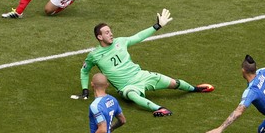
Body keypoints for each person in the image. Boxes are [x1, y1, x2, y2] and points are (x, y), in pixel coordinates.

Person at [78, 9, 215, 117]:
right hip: (126, 87)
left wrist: (158, 26)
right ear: (99, 37)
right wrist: (85, 89)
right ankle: (159, 109)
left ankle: (195, 88)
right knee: (132, 95)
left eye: (110, 31)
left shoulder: (121, 41)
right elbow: (84, 70)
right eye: (107, 32)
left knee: (174, 83)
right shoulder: (94, 55)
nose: (111, 34)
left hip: (142, 76)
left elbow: (138, 36)